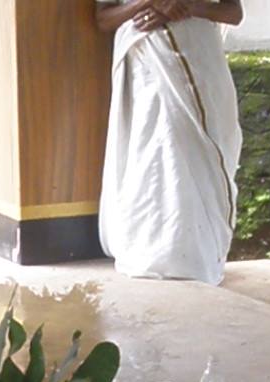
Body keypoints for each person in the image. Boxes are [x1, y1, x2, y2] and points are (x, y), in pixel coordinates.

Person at [95, 0, 244, 284]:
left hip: (202, 59)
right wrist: (151, 3)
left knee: (205, 153)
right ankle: (156, 252)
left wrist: (187, 8)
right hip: (149, 66)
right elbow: (104, 19)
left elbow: (233, 13)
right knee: (156, 153)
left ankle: (199, 257)